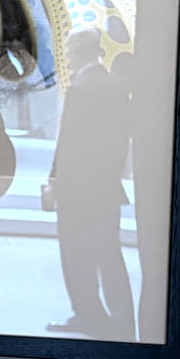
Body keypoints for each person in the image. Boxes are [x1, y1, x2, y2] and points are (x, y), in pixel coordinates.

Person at [47, 27, 134, 338]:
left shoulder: (80, 88)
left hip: (77, 191)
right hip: (105, 189)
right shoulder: (116, 86)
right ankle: (124, 320)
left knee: (76, 255)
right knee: (109, 253)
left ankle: (87, 314)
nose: (68, 58)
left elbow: (69, 144)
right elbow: (120, 141)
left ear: (80, 51)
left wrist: (55, 181)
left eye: (70, 50)